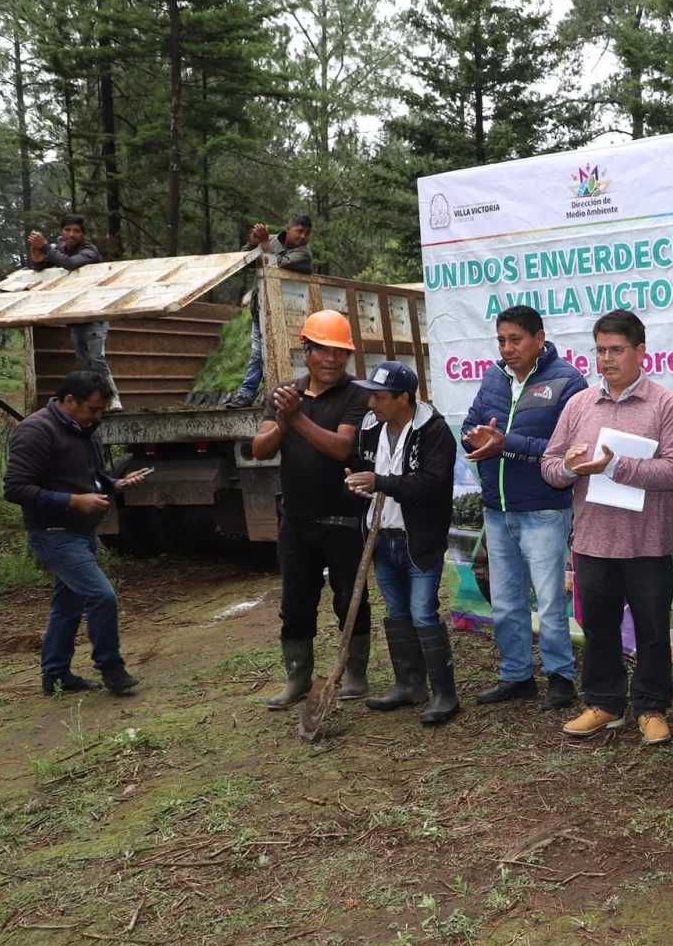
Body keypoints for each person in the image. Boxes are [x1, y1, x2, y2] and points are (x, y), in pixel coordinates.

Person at [540, 310, 673, 746]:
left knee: (653, 630)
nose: (606, 359)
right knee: (598, 627)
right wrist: (567, 467)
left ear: (641, 351)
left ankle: (651, 707)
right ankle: (604, 703)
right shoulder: (579, 404)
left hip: (647, 542)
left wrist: (616, 465)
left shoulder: (666, 404)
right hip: (592, 540)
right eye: (600, 350)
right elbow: (550, 466)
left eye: (616, 350)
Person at [463, 306, 588, 711]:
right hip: (497, 510)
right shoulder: (493, 377)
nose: (506, 349)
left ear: (539, 338)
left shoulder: (567, 380)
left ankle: (560, 677)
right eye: (501, 340)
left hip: (543, 509)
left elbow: (568, 451)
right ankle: (516, 675)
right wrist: (476, 437)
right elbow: (471, 424)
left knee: (550, 600)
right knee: (505, 599)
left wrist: (507, 445)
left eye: (515, 340)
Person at [251, 309, 374, 709]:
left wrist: (294, 417)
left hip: (344, 518)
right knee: (296, 602)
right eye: (323, 349)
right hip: (296, 521)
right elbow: (260, 449)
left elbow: (341, 448)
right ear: (306, 351)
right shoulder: (286, 393)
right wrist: (286, 419)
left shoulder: (357, 395)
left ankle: (355, 674)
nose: (332, 359)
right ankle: (298, 679)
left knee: (349, 599)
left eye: (340, 352)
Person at [3, 371, 145, 696]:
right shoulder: (35, 431)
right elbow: (15, 488)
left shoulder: (84, 429)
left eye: (101, 411)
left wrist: (116, 484)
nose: (98, 417)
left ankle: (55, 676)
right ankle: (111, 669)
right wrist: (73, 501)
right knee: (101, 595)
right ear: (69, 401)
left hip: (81, 531)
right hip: (53, 532)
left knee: (67, 606)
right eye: (93, 409)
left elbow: (90, 477)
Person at [345, 361, 461, 725]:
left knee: (423, 612)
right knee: (396, 612)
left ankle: (445, 695)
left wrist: (381, 482)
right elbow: (358, 465)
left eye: (378, 397)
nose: (371, 404)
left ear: (403, 397)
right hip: (380, 537)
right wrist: (356, 481)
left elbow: (432, 484)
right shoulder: (369, 428)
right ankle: (409, 684)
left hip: (418, 539)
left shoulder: (434, 431)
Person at [28, 216, 122, 412]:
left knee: (96, 358)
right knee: (84, 363)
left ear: (83, 234)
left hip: (95, 313)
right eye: (67, 230)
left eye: (76, 231)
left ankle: (113, 399)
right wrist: (37, 252)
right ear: (62, 232)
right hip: (75, 316)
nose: (71, 234)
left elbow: (70, 264)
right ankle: (95, 402)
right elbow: (41, 267)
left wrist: (44, 247)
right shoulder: (60, 250)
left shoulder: (89, 250)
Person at [227, 215, 314, 409]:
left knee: (284, 355)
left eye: (307, 234)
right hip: (262, 309)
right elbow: (246, 260)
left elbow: (274, 266)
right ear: (288, 228)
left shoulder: (304, 254)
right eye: (299, 231)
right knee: (259, 354)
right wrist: (252, 243)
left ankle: (252, 394)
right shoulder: (272, 240)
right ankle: (250, 395)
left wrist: (264, 243)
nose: (303, 237)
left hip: (289, 314)